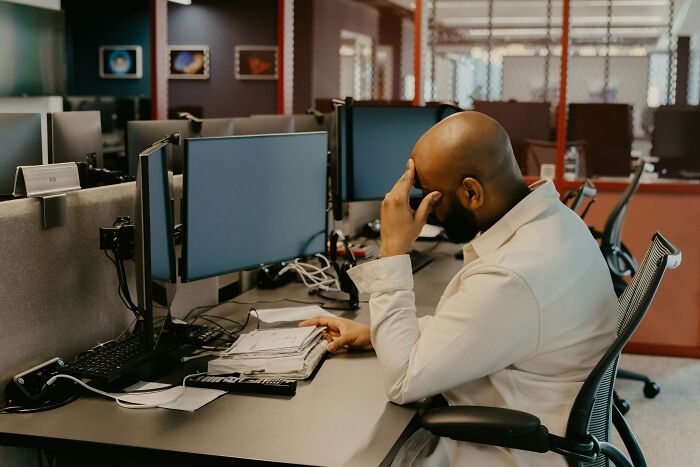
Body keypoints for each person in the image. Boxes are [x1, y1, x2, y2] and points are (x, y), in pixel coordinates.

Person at [300, 111, 617, 466]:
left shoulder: (511, 275)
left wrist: (392, 251)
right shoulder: (556, 222)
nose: (422, 209)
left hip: (511, 450)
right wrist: (376, 333)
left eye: (430, 196)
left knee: (343, 451)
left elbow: (403, 382)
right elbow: (477, 325)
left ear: (471, 192)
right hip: (536, 423)